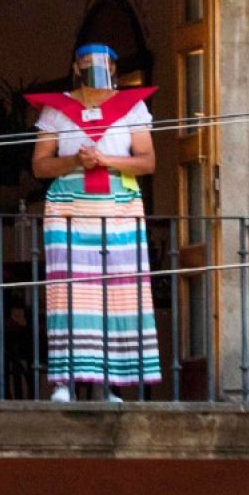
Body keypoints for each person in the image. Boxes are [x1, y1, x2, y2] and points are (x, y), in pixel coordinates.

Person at [27, 44, 161, 402]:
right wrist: (75, 160)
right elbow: (40, 165)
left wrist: (104, 159)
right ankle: (65, 383)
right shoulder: (57, 110)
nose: (94, 68)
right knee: (69, 295)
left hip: (119, 208)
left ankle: (108, 383)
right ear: (75, 67)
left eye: (102, 63)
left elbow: (147, 162)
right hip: (68, 210)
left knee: (118, 294)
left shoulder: (132, 107)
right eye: (86, 63)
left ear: (114, 68)